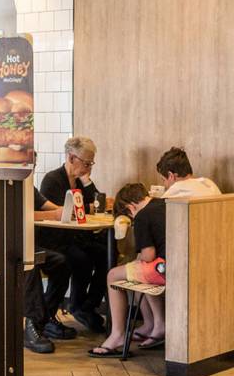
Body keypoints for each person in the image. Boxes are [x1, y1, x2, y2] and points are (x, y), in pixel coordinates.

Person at [39, 136, 108, 333]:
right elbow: (65, 212)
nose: (89, 167)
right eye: (86, 163)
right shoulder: (53, 180)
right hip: (56, 239)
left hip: (77, 237)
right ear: (71, 158)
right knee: (81, 260)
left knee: (106, 255)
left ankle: (87, 306)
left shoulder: (79, 181)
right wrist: (87, 207)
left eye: (91, 163)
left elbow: (98, 204)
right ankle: (72, 307)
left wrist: (87, 182)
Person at [89, 183, 166, 357]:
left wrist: (137, 260)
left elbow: (148, 255)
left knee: (113, 275)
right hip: (178, 264)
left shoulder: (142, 216)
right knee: (134, 270)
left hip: (163, 268)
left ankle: (118, 334)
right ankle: (151, 325)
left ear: (130, 208)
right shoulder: (164, 203)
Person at [23, 185, 76, 354]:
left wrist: (65, 211)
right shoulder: (5, 184)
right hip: (6, 245)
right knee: (30, 264)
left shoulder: (27, 186)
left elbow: (47, 205)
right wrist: (54, 215)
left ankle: (46, 318)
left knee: (62, 262)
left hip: (28, 244)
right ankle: (32, 324)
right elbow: (19, 214)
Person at [154, 147, 220, 198]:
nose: (164, 185)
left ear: (171, 175)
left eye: (163, 180)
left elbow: (157, 208)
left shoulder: (177, 188)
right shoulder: (209, 182)